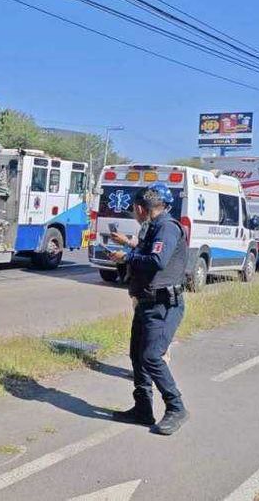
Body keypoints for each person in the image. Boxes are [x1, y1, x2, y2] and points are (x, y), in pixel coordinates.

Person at [108, 183, 189, 436]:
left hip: (163, 305)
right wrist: (131, 249)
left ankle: (176, 408)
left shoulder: (166, 227)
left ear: (141, 208)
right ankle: (142, 408)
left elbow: (158, 261)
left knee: (152, 356)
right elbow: (149, 253)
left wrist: (127, 258)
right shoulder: (153, 228)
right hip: (146, 302)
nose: (135, 213)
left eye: (134, 209)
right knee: (137, 356)